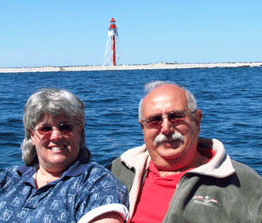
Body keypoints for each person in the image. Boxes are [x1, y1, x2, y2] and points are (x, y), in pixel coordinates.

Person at [0, 88, 129, 223]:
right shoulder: (4, 181)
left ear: (79, 131)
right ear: (32, 135)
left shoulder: (97, 184)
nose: (56, 136)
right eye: (45, 128)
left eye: (65, 127)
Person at [110, 81, 262, 223]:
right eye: (154, 120)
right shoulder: (117, 172)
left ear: (197, 121)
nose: (166, 128)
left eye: (175, 117)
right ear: (143, 128)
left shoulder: (245, 185)